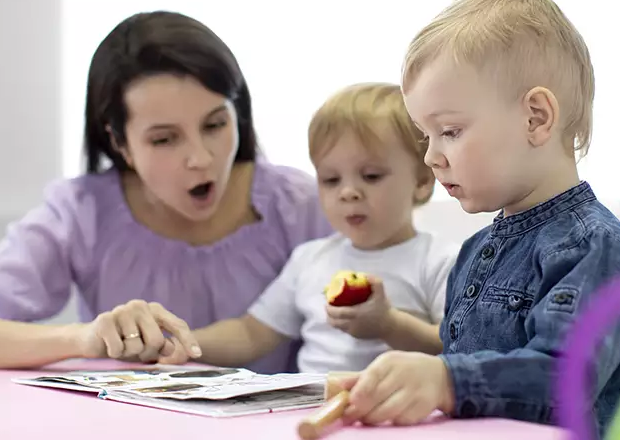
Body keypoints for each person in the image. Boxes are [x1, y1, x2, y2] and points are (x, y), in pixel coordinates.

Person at [0, 11, 332, 373]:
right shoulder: (81, 212)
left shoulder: (306, 205)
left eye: (215, 124)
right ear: (119, 142)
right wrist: (86, 339)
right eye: (164, 139)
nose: (200, 158)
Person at [336, 0, 620, 438]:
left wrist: (445, 381)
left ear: (536, 118)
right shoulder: (475, 250)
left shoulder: (596, 249)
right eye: (425, 136)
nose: (431, 156)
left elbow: (564, 380)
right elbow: (466, 363)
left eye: (449, 131)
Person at [181, 82, 458, 373]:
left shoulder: (441, 261)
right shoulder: (309, 259)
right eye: (330, 179)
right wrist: (182, 343)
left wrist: (389, 325)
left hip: (397, 411)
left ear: (422, 181)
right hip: (307, 409)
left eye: (371, 176)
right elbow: (251, 334)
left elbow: (458, 345)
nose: (348, 192)